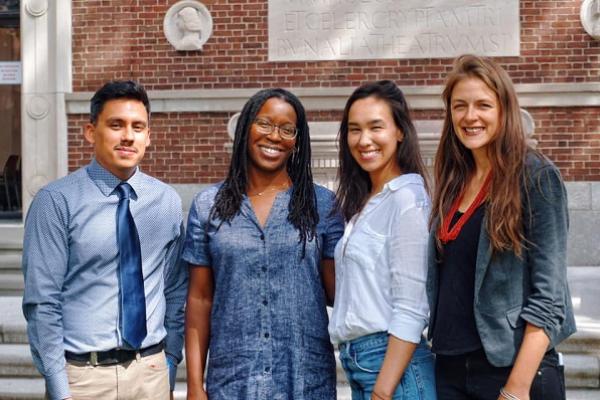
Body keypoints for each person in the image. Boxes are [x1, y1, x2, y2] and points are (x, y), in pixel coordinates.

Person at [22, 80, 187, 400]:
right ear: (90, 131)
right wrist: (60, 390)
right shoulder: (56, 202)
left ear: (148, 137)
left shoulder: (166, 201)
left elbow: (175, 289)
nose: (128, 135)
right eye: (116, 125)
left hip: (150, 374)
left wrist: (169, 362)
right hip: (83, 380)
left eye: (138, 127)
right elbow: (42, 302)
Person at [427, 54, 576, 400]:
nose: (470, 116)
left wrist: (516, 389)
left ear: (504, 110)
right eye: (459, 106)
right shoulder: (454, 181)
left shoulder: (536, 177)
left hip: (511, 372)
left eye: (483, 105)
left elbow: (550, 299)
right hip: (450, 369)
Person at [183, 88, 344, 400]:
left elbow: (340, 292)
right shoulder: (208, 206)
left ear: (297, 140)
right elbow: (200, 299)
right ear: (246, 129)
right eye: (265, 124)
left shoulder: (322, 205)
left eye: (287, 129)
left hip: (304, 380)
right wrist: (193, 385)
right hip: (234, 381)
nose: (275, 136)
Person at [329, 80, 437, 400]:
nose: (364, 140)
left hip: (394, 371)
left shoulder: (407, 200)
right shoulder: (368, 202)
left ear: (400, 131)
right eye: (354, 129)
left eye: (376, 127)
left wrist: (383, 390)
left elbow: (412, 307)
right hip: (363, 364)